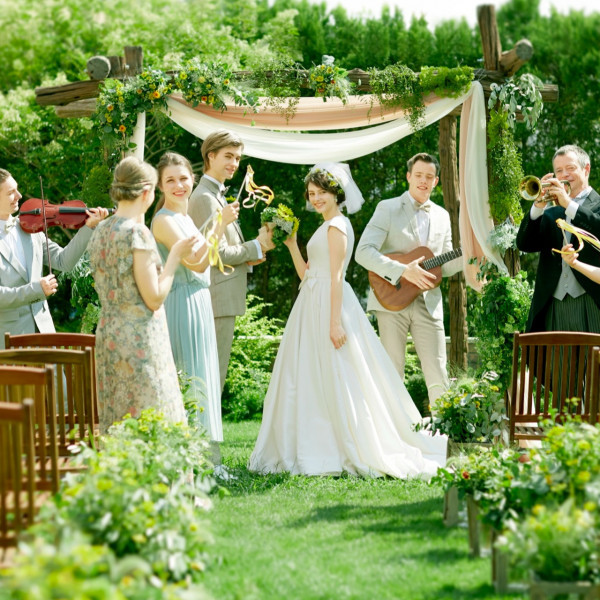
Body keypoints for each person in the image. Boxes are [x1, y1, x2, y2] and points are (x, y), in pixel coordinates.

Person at [249, 163, 447, 478]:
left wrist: (335, 323)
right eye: (311, 194)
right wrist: (291, 244)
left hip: (330, 306)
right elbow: (307, 274)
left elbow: (337, 276)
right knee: (312, 376)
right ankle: (316, 441)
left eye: (321, 193)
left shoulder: (337, 226)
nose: (315, 199)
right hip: (311, 304)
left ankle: (343, 445)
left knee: (339, 375)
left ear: (336, 193)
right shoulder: (323, 226)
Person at [88, 156, 197, 433]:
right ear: (147, 192)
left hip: (109, 332)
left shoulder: (100, 229)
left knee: (117, 415)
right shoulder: (137, 233)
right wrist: (174, 257)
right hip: (139, 337)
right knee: (154, 410)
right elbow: (154, 297)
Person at [355, 153, 460, 405]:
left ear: (436, 182)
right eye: (419, 175)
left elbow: (443, 266)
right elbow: (363, 252)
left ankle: (442, 439)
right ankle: (393, 438)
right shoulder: (387, 208)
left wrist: (472, 255)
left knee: (438, 373)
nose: (424, 181)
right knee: (392, 371)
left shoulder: (443, 216)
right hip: (391, 299)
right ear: (409, 177)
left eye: (430, 177)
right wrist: (402, 271)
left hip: (429, 303)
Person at [152, 152, 238, 445]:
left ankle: (208, 457)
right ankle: (189, 457)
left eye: (184, 178)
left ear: (193, 179)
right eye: (170, 180)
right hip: (181, 302)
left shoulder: (186, 218)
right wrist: (219, 224)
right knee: (189, 375)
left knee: (204, 375)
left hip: (201, 300)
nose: (179, 185)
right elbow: (199, 262)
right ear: (160, 186)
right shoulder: (164, 221)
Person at [188, 130, 274, 394]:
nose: (234, 164)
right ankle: (204, 435)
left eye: (237, 158)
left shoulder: (215, 195)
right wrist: (257, 246)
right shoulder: (204, 197)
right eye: (228, 156)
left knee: (215, 372)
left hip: (223, 299)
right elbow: (217, 255)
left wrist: (249, 260)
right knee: (211, 375)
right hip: (216, 299)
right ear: (210, 156)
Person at [0, 169, 108, 349]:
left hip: (45, 333)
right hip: (8, 339)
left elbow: (63, 261)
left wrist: (88, 228)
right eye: (10, 192)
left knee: (55, 379)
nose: (19, 195)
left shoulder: (30, 227)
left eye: (17, 189)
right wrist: (36, 290)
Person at [516, 145, 600, 332]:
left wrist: (569, 204)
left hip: (593, 301)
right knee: (558, 362)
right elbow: (524, 244)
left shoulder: (598, 204)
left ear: (586, 170)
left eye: (570, 168)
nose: (564, 175)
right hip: (554, 304)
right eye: (559, 171)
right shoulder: (551, 211)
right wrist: (538, 206)